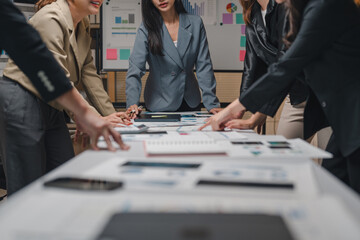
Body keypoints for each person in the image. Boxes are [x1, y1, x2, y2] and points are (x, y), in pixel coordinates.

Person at [201, 0, 360, 193]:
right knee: (333, 187)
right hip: (344, 118)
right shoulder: (296, 10)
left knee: (340, 193)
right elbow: (282, 69)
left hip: (351, 115)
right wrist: (255, 114)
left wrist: (235, 108)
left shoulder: (324, 5)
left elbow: (287, 66)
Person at [0, 0, 129, 195]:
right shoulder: (51, 18)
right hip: (23, 99)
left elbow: (90, 75)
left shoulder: (82, 26)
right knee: (27, 186)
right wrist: (85, 115)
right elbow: (57, 76)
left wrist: (111, 119)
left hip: (53, 105)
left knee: (65, 173)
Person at [125, 0, 221, 117]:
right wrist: (132, 105)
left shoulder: (195, 23)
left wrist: (212, 104)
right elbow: (135, 70)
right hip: (159, 103)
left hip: (190, 102)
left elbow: (204, 67)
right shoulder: (146, 28)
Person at [228, 0, 308, 138]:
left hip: (324, 92)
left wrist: (262, 111)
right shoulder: (252, 15)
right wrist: (240, 106)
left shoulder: (286, 6)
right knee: (284, 152)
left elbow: (285, 64)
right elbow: (251, 68)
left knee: (332, 156)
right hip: (297, 96)